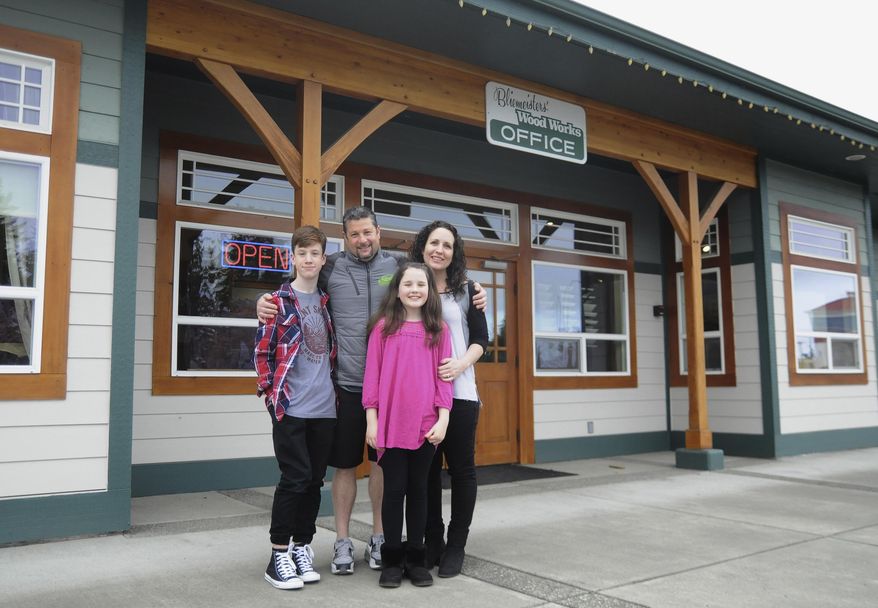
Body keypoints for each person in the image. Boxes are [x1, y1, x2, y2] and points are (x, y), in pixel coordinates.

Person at [256, 207, 486, 574]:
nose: (362, 240)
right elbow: (301, 279)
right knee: (344, 466)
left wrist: (476, 290)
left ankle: (381, 537)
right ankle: (343, 540)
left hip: (395, 393)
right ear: (345, 238)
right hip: (347, 387)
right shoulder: (330, 266)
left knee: (384, 465)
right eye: (354, 234)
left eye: (368, 232)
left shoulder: (396, 266)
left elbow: (432, 284)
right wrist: (265, 302)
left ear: (378, 232)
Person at [254, 225, 337, 590]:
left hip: (325, 409)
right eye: (301, 253)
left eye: (314, 253)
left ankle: (302, 547)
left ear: (322, 258)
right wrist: (271, 396)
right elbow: (262, 353)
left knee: (315, 481)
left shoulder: (326, 302)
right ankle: (278, 555)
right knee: (295, 479)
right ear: (294, 257)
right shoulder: (276, 301)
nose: (308, 259)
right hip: (290, 407)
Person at [362, 262, 453, 588]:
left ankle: (416, 559)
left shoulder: (439, 330)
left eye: (421, 284)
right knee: (393, 492)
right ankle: (391, 560)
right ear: (397, 289)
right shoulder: (383, 329)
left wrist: (443, 418)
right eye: (408, 284)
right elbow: (371, 378)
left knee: (419, 493)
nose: (415, 290)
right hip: (390, 425)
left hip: (426, 426)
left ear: (429, 291)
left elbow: (445, 381)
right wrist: (371, 421)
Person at [410, 220, 488, 578]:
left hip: (460, 394)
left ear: (454, 253)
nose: (439, 249)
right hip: (421, 398)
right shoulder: (409, 284)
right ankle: (432, 542)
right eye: (434, 242)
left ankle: (456, 546)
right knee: (425, 474)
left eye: (447, 245)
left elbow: (480, 340)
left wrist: (460, 365)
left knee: (462, 472)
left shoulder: (468, 290)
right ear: (422, 246)